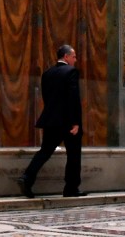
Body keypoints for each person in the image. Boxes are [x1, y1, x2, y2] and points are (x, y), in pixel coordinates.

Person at [17, 45, 86, 198]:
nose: (75, 60)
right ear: (66, 57)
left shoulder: (47, 73)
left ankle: (27, 178)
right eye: (73, 56)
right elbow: (73, 98)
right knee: (74, 154)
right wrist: (75, 122)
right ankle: (71, 188)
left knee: (45, 151)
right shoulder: (71, 72)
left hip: (51, 120)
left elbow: (46, 97)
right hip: (68, 122)